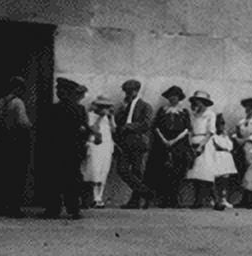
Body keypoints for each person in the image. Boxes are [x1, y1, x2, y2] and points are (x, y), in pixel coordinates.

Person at [41, 77, 90, 219]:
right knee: (71, 179)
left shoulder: (53, 109)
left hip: (59, 151)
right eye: (58, 89)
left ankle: (54, 209)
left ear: (67, 92)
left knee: (55, 179)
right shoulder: (79, 109)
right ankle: (73, 209)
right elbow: (84, 131)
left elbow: (47, 132)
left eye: (61, 90)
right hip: (71, 151)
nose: (58, 92)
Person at [144, 85, 192, 208]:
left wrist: (175, 140)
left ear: (179, 98)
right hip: (162, 143)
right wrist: (164, 140)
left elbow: (187, 129)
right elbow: (156, 127)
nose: (172, 99)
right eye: (170, 97)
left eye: (175, 96)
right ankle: (163, 199)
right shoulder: (162, 110)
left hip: (179, 144)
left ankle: (174, 199)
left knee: (177, 171)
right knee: (162, 171)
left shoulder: (184, 112)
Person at [0, 76, 32, 218]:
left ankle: (0, 206)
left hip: (2, 142)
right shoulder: (18, 102)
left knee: (3, 174)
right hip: (16, 142)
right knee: (16, 175)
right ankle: (13, 207)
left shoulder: (1, 102)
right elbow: (23, 122)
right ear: (18, 88)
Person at [113, 79, 155, 209]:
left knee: (137, 171)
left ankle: (135, 201)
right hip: (125, 142)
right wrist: (122, 110)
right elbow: (118, 123)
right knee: (122, 169)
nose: (128, 94)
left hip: (138, 141)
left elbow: (146, 124)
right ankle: (146, 192)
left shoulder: (146, 106)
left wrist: (129, 126)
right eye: (126, 92)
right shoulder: (124, 106)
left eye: (130, 92)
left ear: (136, 91)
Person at [81, 95, 117, 208]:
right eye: (102, 106)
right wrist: (100, 117)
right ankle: (92, 198)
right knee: (94, 171)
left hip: (106, 145)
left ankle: (99, 197)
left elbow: (113, 130)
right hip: (95, 146)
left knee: (103, 171)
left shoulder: (108, 117)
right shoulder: (90, 115)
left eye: (106, 107)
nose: (104, 109)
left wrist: (111, 117)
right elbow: (93, 129)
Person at [184, 90, 217, 208]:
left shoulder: (210, 114)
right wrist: (190, 143)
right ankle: (197, 199)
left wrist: (201, 145)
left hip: (205, 143)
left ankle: (208, 200)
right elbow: (190, 130)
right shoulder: (194, 115)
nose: (197, 103)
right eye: (195, 101)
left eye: (199, 101)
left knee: (205, 172)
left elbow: (210, 132)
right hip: (194, 141)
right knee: (195, 172)